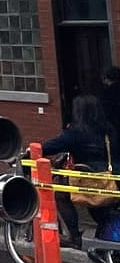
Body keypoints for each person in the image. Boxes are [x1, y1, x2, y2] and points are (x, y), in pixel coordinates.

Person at [41, 94, 116, 250]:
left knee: (61, 194)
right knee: (102, 209)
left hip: (91, 179)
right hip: (112, 179)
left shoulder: (76, 132)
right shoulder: (109, 131)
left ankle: (74, 236)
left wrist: (30, 152)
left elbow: (51, 146)